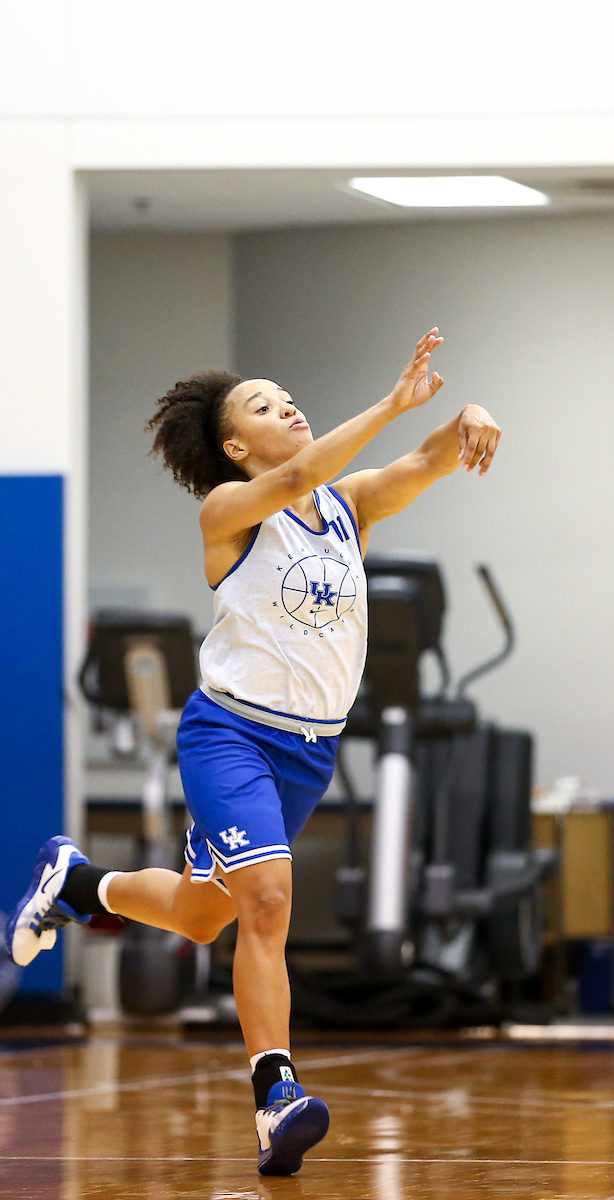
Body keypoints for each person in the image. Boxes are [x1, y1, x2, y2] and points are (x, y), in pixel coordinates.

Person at [5, 329, 501, 1175]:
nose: (288, 406)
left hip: (309, 750)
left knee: (207, 916)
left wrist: (466, 424)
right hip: (231, 735)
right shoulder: (227, 513)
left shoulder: (349, 506)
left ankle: (79, 882)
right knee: (270, 900)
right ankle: (277, 1098)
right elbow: (300, 476)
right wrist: (389, 401)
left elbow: (419, 464)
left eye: (285, 394)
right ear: (237, 448)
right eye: (265, 406)